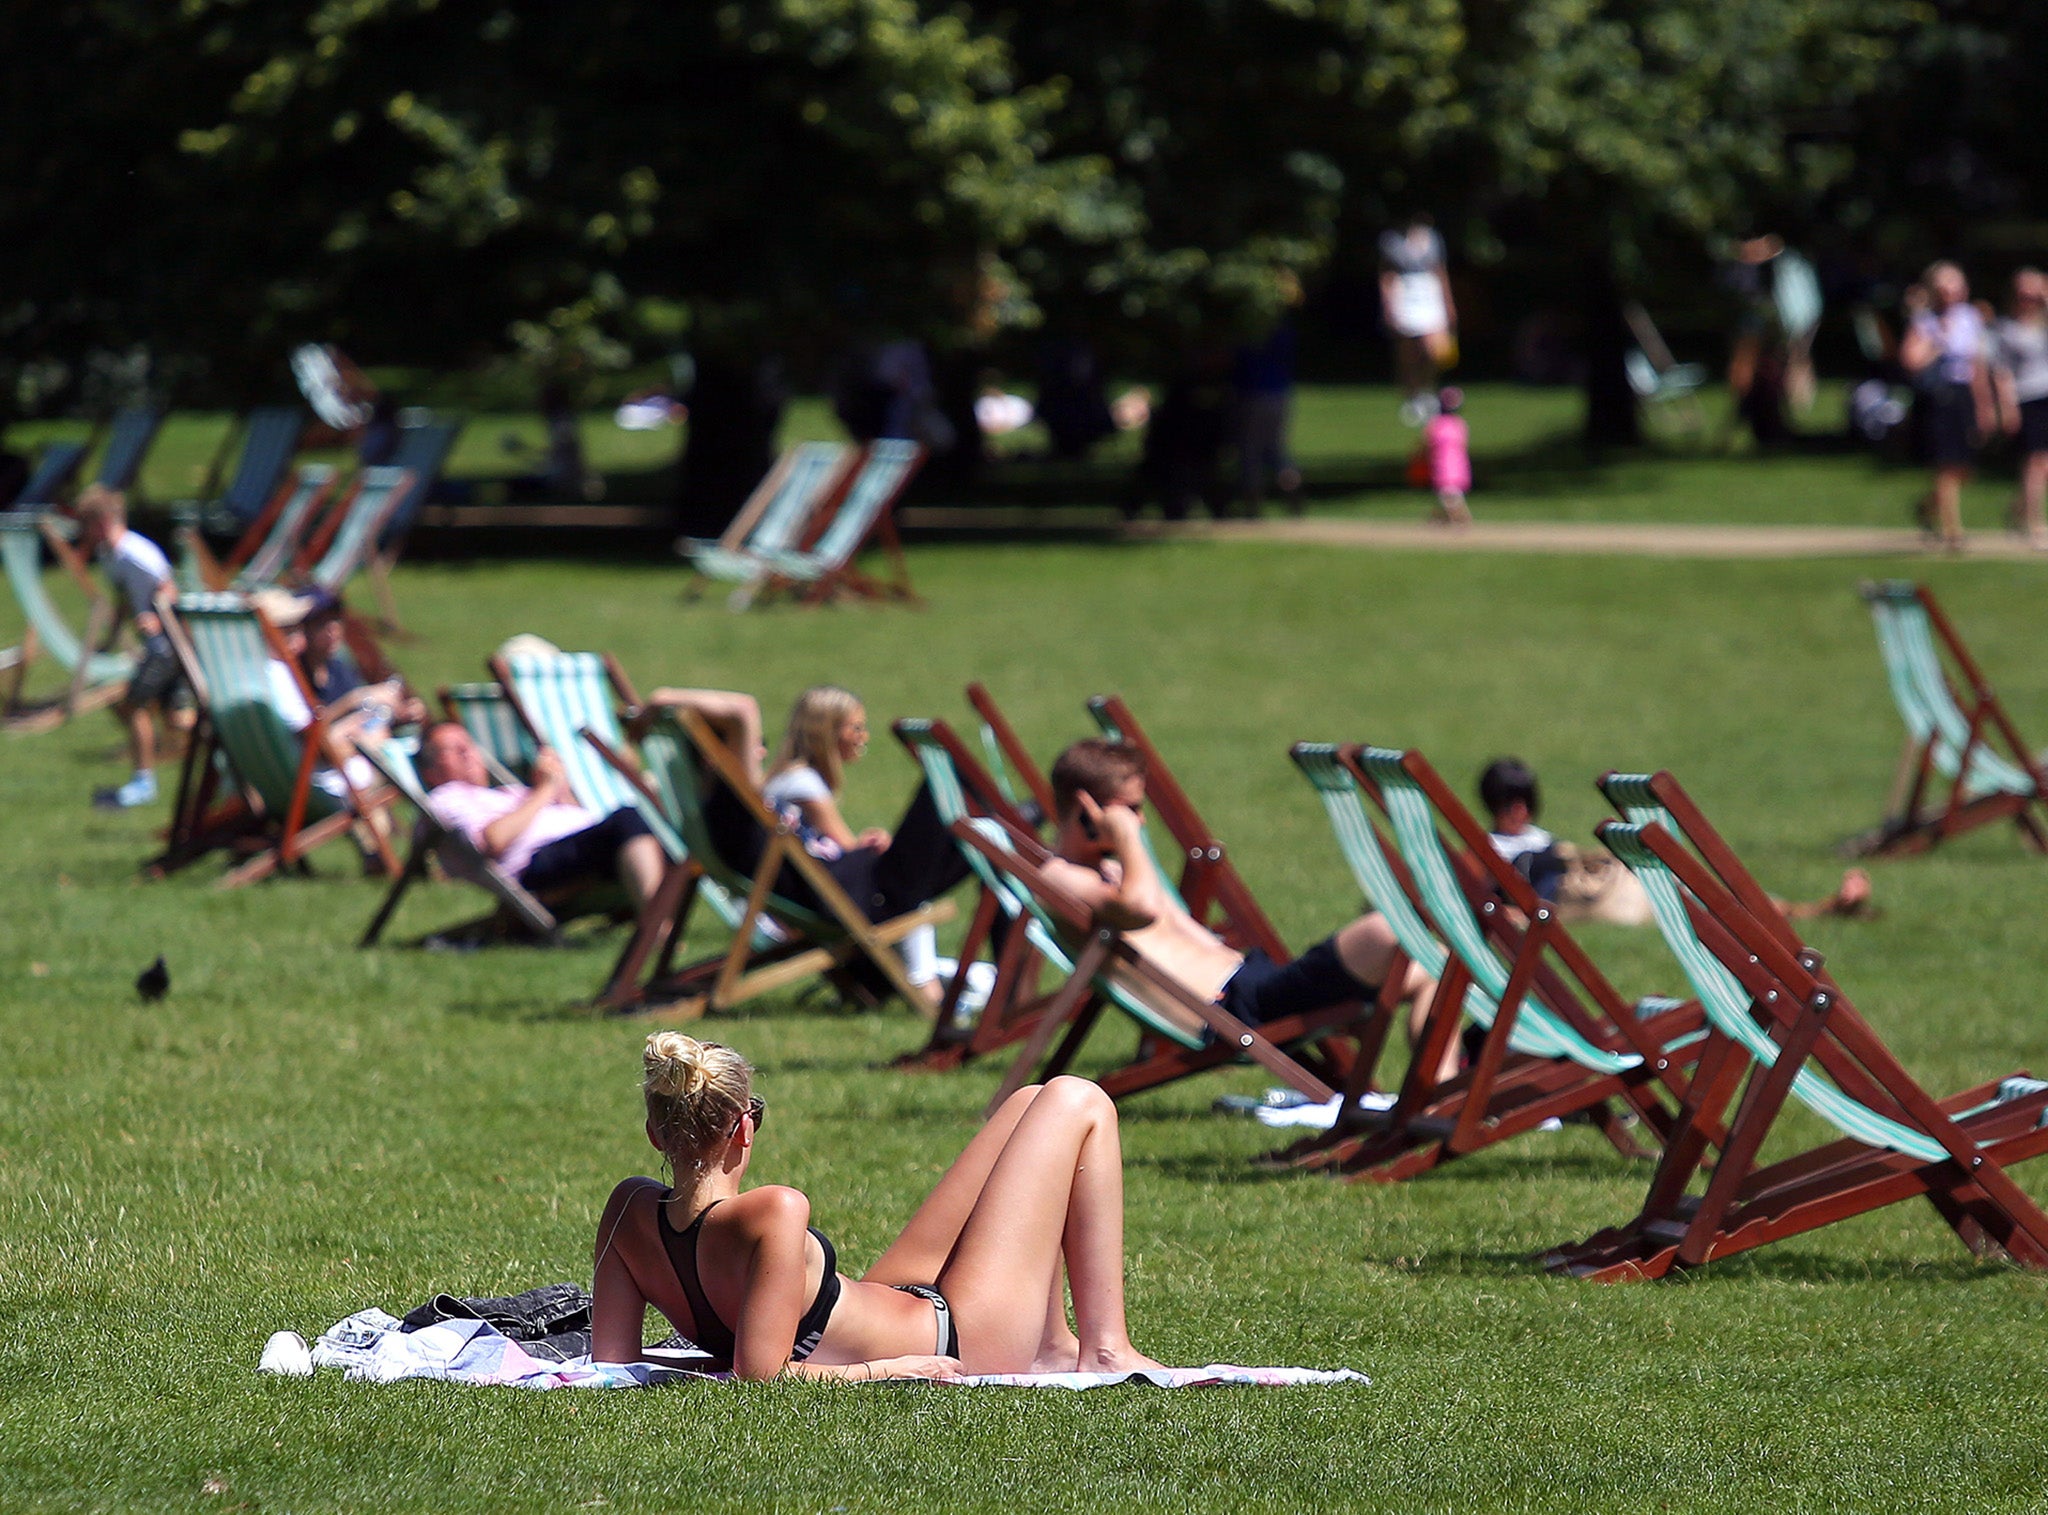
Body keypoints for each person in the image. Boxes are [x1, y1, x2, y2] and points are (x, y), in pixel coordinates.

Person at [591, 1034, 1161, 1379]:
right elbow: (760, 1378)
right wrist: (887, 1371)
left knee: (1029, 1104)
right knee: (1078, 1098)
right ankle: (1107, 1349)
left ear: (654, 1133)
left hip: (900, 1298)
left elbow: (615, 1364)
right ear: (745, 1129)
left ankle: (1054, 1346)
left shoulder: (627, 1211)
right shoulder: (775, 1211)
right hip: (960, 1337)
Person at [1038, 738, 1439, 1067]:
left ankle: (1435, 1099)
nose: (1139, 821)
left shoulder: (1115, 871)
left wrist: (1123, 843)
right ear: (1085, 808)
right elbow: (1141, 911)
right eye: (1131, 809)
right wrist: (1126, 837)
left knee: (1431, 968)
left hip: (1251, 984)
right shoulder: (1061, 877)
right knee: (1387, 931)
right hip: (1231, 1010)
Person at [756, 685, 971, 1003]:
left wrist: (864, 845)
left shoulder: (789, 779)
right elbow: (844, 851)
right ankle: (929, 991)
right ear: (827, 732)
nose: (864, 736)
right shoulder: (804, 785)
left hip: (823, 893)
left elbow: (833, 851)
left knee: (914, 885)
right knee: (913, 885)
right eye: (855, 727)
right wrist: (868, 848)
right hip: (833, 899)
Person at [74, 486, 191, 809]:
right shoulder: (109, 555)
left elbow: (170, 591)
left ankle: (143, 783)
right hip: (158, 643)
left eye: (87, 524)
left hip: (167, 643)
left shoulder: (135, 554)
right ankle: (220, 751)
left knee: (134, 704)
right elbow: (124, 598)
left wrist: (156, 619)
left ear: (103, 521)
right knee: (176, 719)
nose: (84, 532)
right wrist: (110, 639)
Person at [1900, 262, 1996, 551]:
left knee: (1964, 469)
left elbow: (1977, 365)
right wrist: (1937, 341)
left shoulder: (1970, 318)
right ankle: (1952, 531)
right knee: (1946, 464)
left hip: (1963, 394)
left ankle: (1928, 506)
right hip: (1937, 397)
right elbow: (1911, 362)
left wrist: (1985, 405)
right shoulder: (1924, 322)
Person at [1379, 214, 1456, 425]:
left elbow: (1440, 270)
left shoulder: (1432, 238)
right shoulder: (1392, 240)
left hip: (1429, 292)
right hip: (1404, 293)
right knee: (1409, 352)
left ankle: (1428, 391)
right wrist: (1388, 304)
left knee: (1433, 349)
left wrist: (1448, 302)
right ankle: (1411, 395)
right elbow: (1387, 274)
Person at [1993, 267, 2048, 550]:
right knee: (2036, 462)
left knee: (2043, 466)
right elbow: (2001, 373)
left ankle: (2019, 509)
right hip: (2026, 398)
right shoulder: (2006, 328)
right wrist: (2006, 407)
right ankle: (2033, 522)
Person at [1477, 758, 1565, 902]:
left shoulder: (1545, 840)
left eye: (1527, 803)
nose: (1520, 811)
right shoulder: (1485, 848)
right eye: (1509, 805)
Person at [1424, 386, 1472, 526]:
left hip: (1447, 464)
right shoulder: (1459, 424)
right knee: (1449, 494)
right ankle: (1440, 518)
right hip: (1453, 463)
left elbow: (1427, 444)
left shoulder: (1436, 424)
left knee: (1449, 494)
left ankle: (1461, 518)